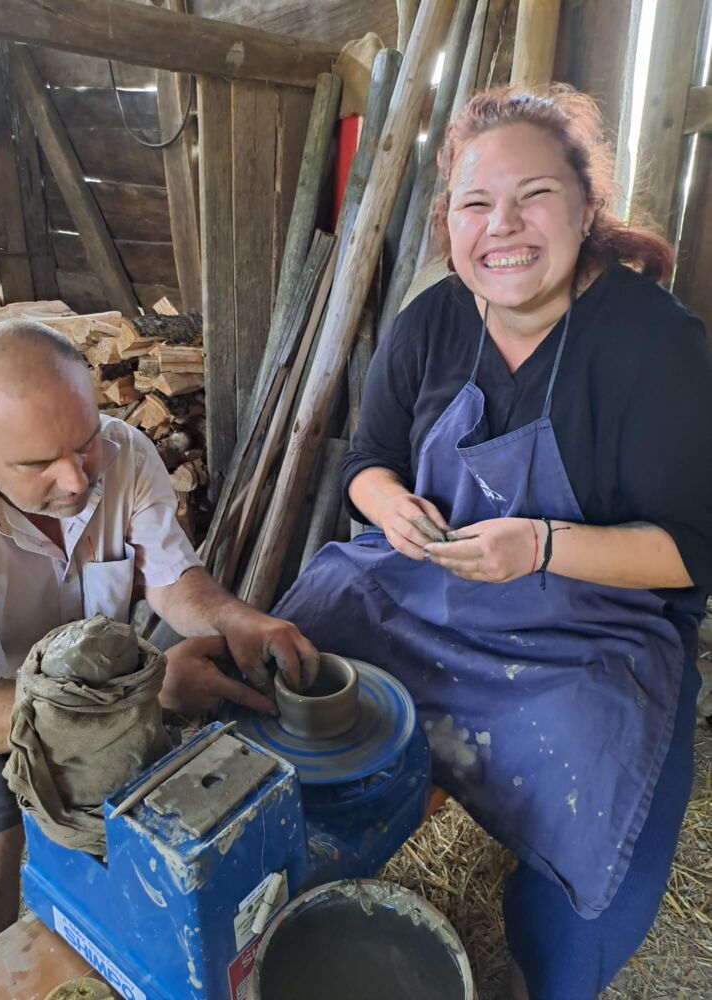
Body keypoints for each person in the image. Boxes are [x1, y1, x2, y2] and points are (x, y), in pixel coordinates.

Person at [272, 86, 712, 1000]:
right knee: (286, 654)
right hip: (421, 597)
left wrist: (545, 546)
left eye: (534, 196)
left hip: (585, 640)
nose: (502, 227)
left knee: (598, 896)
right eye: (477, 204)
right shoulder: (433, 320)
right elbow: (368, 459)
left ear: (587, 207)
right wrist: (387, 504)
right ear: (450, 221)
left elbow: (691, 551)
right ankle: (278, 888)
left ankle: (533, 974)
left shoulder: (655, 344)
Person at [0, 320, 318, 958]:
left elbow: (173, 579)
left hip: (101, 686)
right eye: (37, 463)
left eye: (84, 442)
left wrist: (233, 617)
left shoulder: (123, 453)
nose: (75, 480)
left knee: (172, 840)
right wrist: (140, 701)